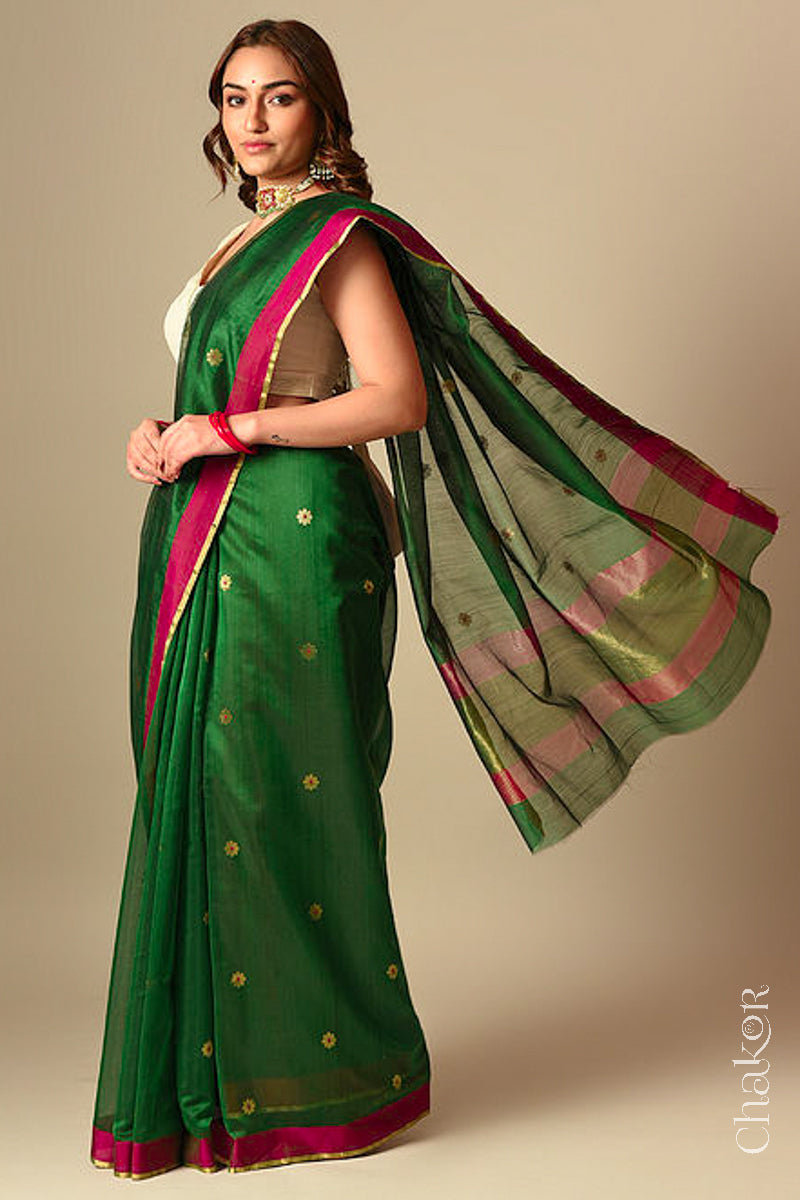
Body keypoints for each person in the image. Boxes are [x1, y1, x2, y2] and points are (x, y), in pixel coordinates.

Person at [89, 17, 779, 1182]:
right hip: (202, 531)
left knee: (278, 793)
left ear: (322, 111)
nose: (251, 120)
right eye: (233, 97)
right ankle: (204, 1090)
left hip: (293, 538)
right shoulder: (237, 243)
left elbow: (394, 397)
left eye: (278, 97)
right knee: (197, 784)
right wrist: (161, 433)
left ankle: (326, 1086)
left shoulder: (338, 238)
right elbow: (220, 391)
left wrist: (227, 431)